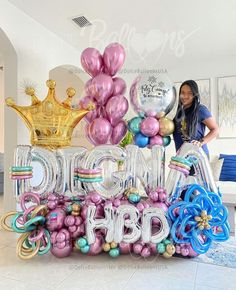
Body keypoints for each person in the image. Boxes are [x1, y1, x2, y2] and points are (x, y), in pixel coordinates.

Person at [173, 80, 219, 158]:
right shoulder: (176, 112)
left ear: (195, 94)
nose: (185, 96)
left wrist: (200, 142)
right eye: (182, 93)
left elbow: (215, 129)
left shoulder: (200, 109)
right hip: (181, 157)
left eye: (189, 93)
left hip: (198, 157)